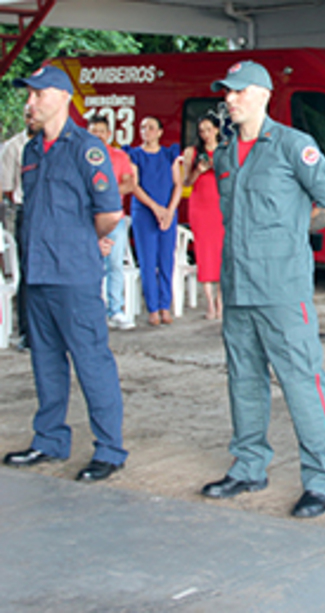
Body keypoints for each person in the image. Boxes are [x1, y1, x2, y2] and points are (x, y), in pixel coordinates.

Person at [199, 60, 325, 519]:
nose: (230, 99)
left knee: (303, 382)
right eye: (227, 92)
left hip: (283, 288)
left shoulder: (292, 146)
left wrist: (290, 237)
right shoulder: (225, 155)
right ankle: (248, 466)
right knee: (243, 379)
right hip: (239, 286)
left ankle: (322, 479)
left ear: (263, 95)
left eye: (239, 92)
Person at [1, 66, 127, 482]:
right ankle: (49, 440)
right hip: (37, 274)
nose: (29, 103)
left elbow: (109, 212)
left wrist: (78, 240)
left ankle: (109, 449)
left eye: (36, 95)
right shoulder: (31, 151)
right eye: (28, 96)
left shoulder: (86, 148)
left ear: (59, 96)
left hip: (73, 274)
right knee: (45, 362)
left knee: (91, 361)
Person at [127, 116, 182, 326]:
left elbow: (177, 184)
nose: (146, 131)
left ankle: (164, 305)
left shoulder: (169, 155)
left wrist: (169, 210)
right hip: (144, 212)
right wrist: (155, 208)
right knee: (147, 260)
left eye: (151, 128)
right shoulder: (135, 155)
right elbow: (134, 185)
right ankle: (152, 308)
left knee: (166, 259)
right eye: (143, 127)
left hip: (168, 211)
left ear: (159, 132)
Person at [87, 115, 138, 330]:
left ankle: (115, 310)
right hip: (86, 218)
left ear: (109, 134)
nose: (97, 134)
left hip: (114, 217)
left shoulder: (119, 156)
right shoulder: (81, 157)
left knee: (115, 264)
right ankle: (91, 312)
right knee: (88, 264)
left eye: (101, 130)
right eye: (93, 131)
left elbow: (129, 184)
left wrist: (105, 193)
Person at [1, 105, 39, 350]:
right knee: (28, 272)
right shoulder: (14, 147)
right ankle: (27, 332)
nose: (32, 119)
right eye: (28, 116)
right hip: (26, 211)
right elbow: (5, 187)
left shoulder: (56, 144)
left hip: (53, 212)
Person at [182, 116, 224, 320]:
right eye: (202, 131)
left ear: (217, 130)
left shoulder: (226, 150)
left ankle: (221, 301)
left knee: (223, 252)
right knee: (205, 252)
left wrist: (217, 168)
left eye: (209, 129)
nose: (205, 134)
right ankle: (209, 303)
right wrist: (198, 170)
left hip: (221, 205)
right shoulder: (192, 152)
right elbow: (186, 182)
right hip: (200, 206)